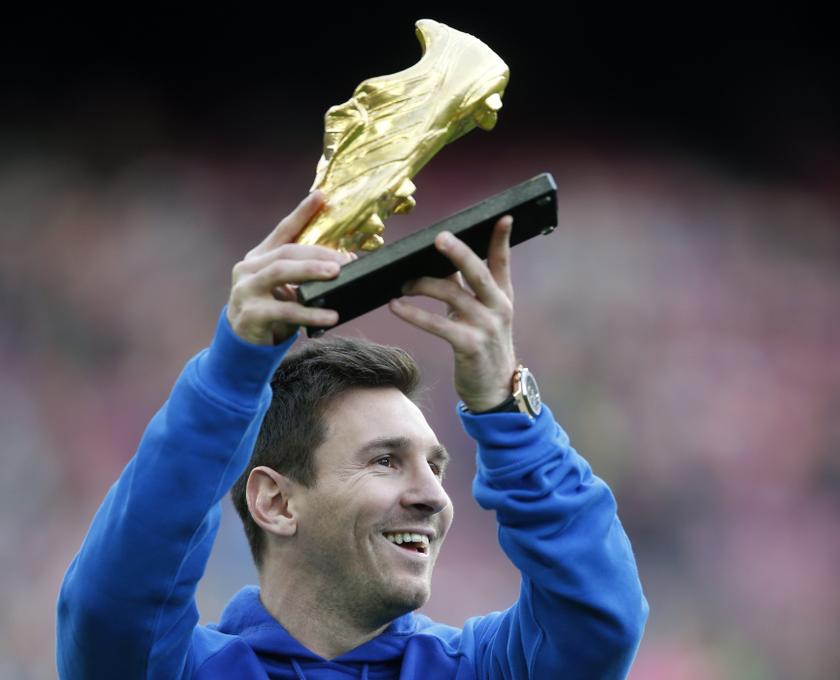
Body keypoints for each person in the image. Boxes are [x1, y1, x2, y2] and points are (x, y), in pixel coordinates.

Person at [56, 191, 648, 678]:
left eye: (436, 467)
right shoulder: (177, 671)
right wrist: (234, 370)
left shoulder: (478, 670)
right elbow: (112, 607)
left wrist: (503, 408)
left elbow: (600, 619)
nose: (434, 496)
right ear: (276, 501)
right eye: (386, 461)